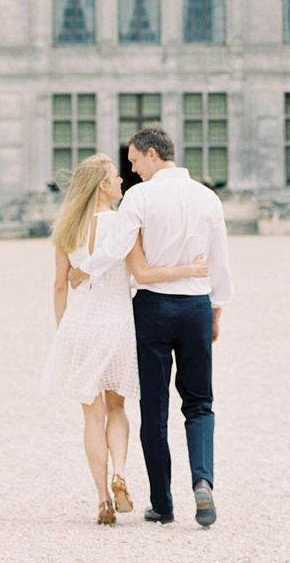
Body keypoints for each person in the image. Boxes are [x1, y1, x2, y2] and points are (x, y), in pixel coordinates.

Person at [71, 128, 234, 529]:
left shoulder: (140, 197)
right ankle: (202, 481)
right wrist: (216, 309)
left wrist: (84, 269)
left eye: (133, 161)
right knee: (199, 403)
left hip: (153, 308)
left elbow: (116, 248)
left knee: (154, 409)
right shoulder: (207, 197)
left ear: (151, 155)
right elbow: (220, 261)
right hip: (195, 305)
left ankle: (162, 503)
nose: (130, 171)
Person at [41, 153, 208, 526]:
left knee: (91, 414)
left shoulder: (67, 229)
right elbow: (142, 273)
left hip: (81, 325)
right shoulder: (123, 224)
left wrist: (62, 329)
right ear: (102, 186)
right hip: (117, 324)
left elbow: (58, 284)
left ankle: (102, 498)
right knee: (117, 408)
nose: (122, 181)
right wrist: (191, 270)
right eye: (116, 177)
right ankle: (120, 474)